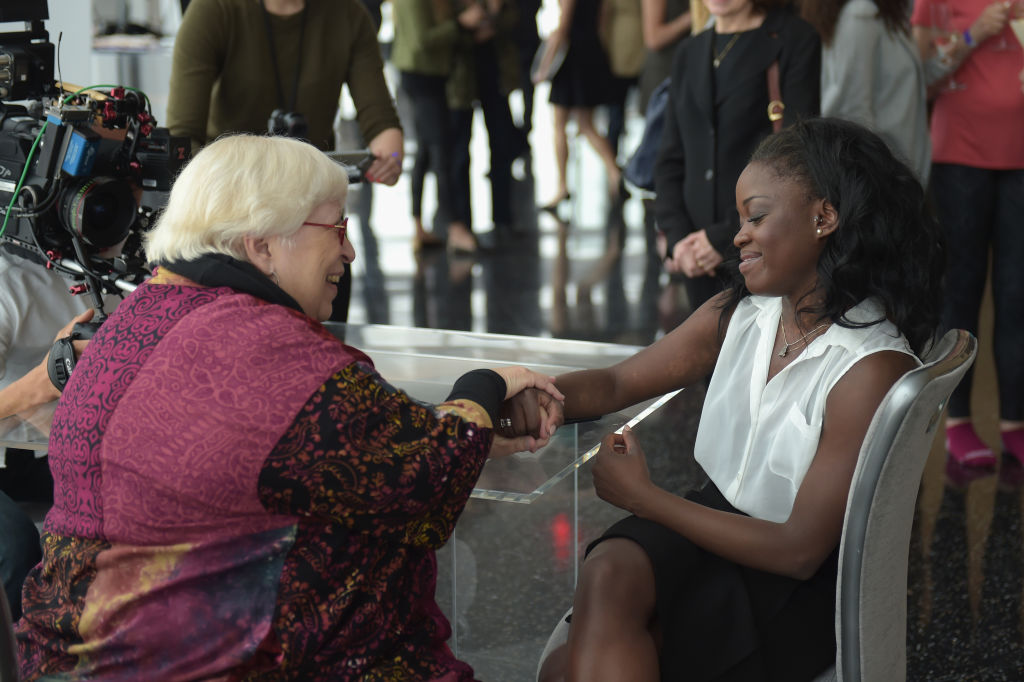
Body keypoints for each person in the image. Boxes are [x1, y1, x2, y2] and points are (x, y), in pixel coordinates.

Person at [14, 135, 563, 681]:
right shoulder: (269, 352)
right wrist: (484, 388)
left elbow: (306, 447)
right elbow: (427, 480)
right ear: (263, 245)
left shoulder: (132, 320)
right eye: (336, 228)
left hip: (76, 658)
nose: (349, 251)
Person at [527, 117, 946, 680]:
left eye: (757, 216)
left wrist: (645, 499)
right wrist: (529, 396)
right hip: (713, 529)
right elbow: (617, 384)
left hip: (787, 585)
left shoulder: (869, 367)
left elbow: (798, 551)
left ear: (823, 217)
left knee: (565, 670)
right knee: (608, 575)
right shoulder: (743, 315)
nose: (738, 235)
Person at [166, 0, 403, 322]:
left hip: (316, 221)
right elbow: (183, 136)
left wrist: (390, 157)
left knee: (324, 344)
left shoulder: (347, 14)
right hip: (237, 222)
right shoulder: (215, 10)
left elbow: (380, 117)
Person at [910, 0, 1024, 469]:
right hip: (959, 157)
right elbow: (919, 79)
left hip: (1020, 160)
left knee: (1017, 294)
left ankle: (1015, 424)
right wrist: (976, 33)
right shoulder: (933, 3)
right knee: (961, 291)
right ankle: (957, 423)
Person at [655, 0, 820, 313]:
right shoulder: (689, 51)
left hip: (761, 245)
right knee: (704, 358)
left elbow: (797, 159)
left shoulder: (794, 39)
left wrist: (722, 238)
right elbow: (670, 158)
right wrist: (679, 240)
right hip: (695, 253)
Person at [0, 249, 90, 620]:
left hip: (46, 446)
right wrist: (43, 382)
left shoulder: (134, 270)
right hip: (17, 444)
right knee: (14, 547)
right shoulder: (9, 282)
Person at [802, 0, 931, 185]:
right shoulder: (861, 14)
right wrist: (873, 175)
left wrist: (956, 50)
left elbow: (909, 84)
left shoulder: (886, 15)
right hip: (885, 173)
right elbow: (852, 108)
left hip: (898, 166)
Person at [391, 0, 480, 254]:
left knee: (427, 150)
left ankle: (418, 225)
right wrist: (461, 24)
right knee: (441, 150)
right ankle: (454, 228)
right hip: (421, 75)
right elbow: (422, 40)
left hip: (429, 74)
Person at [536, 0, 625, 212]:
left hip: (571, 57)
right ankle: (615, 172)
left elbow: (563, 27)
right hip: (591, 51)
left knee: (559, 125)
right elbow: (602, 24)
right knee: (586, 125)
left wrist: (544, 65)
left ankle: (562, 186)